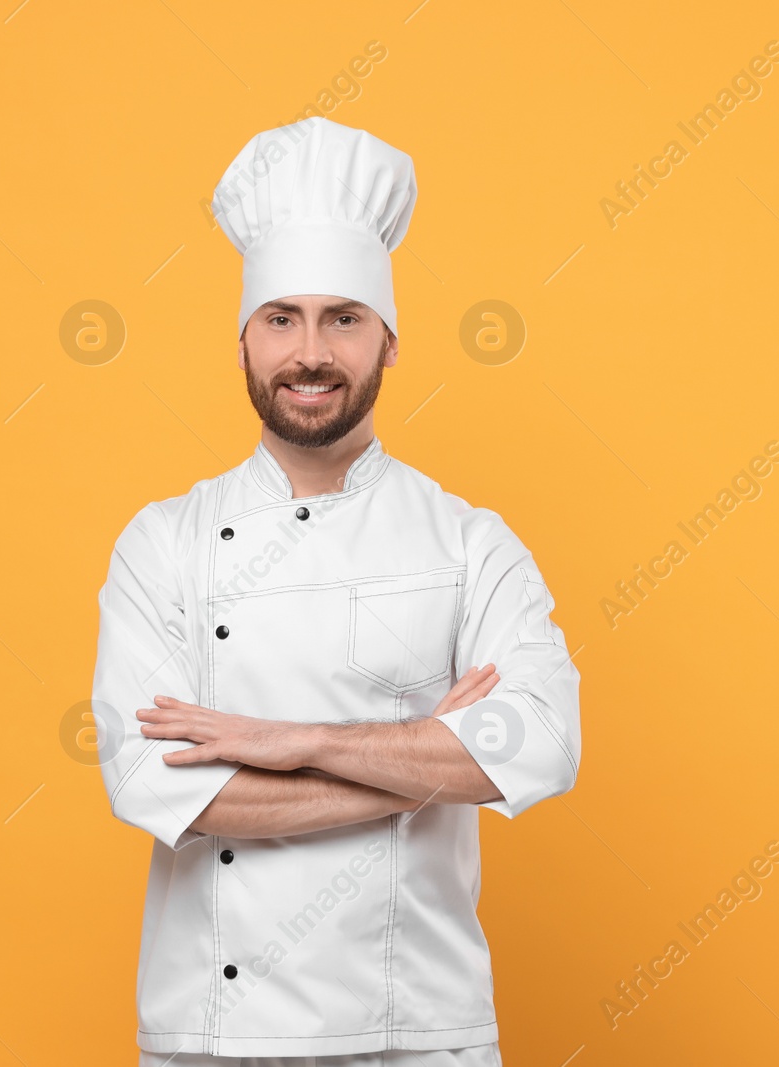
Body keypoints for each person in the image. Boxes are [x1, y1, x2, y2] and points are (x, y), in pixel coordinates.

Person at [92, 115, 582, 1065]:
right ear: (242, 340)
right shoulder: (164, 545)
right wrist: (421, 759)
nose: (310, 353)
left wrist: (292, 740)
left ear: (389, 341)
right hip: (214, 1034)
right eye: (283, 318)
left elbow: (542, 743)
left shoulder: (468, 542)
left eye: (343, 319)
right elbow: (153, 780)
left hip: (419, 1029)